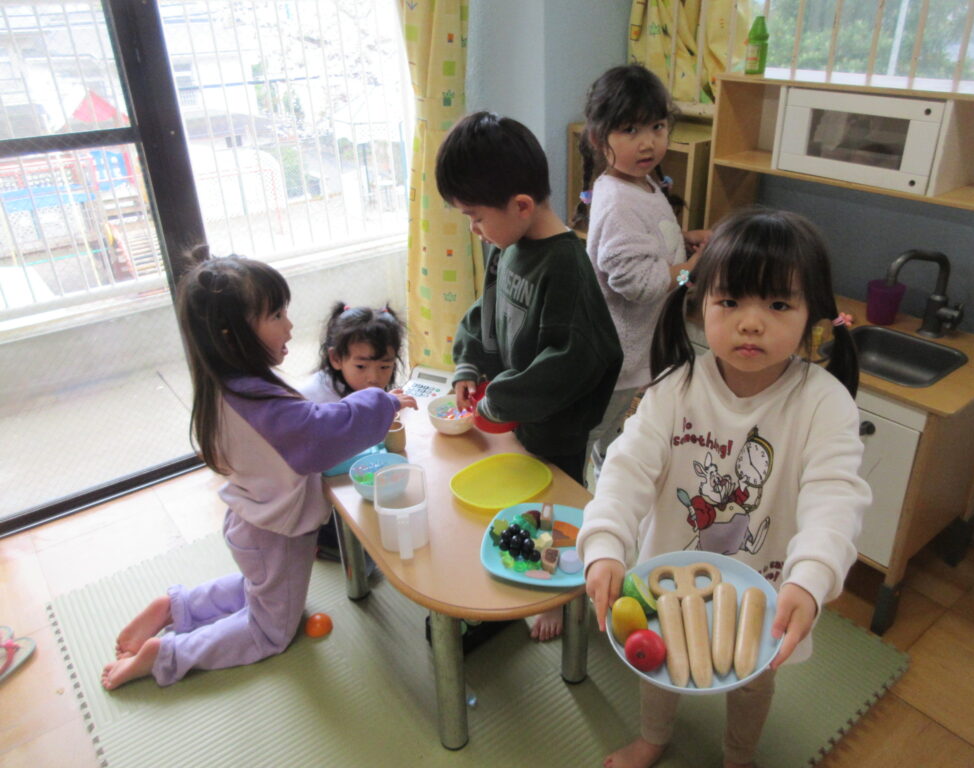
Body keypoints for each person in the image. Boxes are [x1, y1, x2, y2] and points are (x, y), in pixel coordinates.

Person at [577, 207, 870, 768]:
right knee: (658, 663)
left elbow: (835, 498)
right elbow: (625, 469)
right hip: (669, 577)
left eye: (778, 304)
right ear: (700, 302)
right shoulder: (673, 389)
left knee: (753, 682)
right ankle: (654, 738)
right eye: (730, 301)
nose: (751, 323)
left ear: (812, 314)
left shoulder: (824, 403)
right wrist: (606, 541)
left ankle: (739, 755)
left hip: (765, 586)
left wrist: (812, 576)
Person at [101, 253, 416, 690]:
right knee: (269, 630)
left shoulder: (227, 383)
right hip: (276, 529)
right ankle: (166, 655)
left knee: (263, 583)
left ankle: (178, 608)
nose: (290, 326)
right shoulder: (260, 401)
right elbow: (319, 436)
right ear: (233, 334)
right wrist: (383, 402)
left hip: (253, 519)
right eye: (277, 315)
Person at [436, 111, 623, 641]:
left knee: (553, 508)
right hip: (516, 414)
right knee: (518, 498)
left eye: (475, 217)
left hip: (554, 425)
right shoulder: (507, 246)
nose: (474, 229)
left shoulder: (565, 267)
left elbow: (575, 361)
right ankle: (529, 564)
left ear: (521, 205)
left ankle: (556, 595)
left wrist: (501, 400)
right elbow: (485, 310)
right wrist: (470, 363)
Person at [573, 64, 712, 483]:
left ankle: (607, 467)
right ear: (599, 139)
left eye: (657, 126)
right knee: (595, 430)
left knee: (615, 427)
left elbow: (647, 241)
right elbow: (642, 284)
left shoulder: (642, 184)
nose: (648, 142)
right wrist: (691, 270)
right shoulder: (619, 201)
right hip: (619, 357)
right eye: (630, 130)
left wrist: (682, 239)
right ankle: (582, 487)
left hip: (636, 348)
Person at [297, 303, 407, 561]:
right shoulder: (315, 398)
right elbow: (325, 457)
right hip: (310, 502)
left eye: (385, 367)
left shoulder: (360, 385)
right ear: (336, 359)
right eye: (361, 367)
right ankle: (324, 545)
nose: (373, 378)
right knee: (369, 547)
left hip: (343, 476)